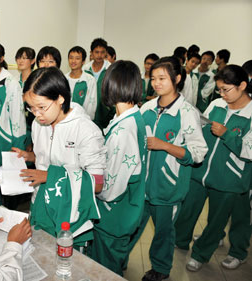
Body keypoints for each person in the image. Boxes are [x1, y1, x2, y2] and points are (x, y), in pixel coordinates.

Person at [13, 67, 106, 250]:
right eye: (31, 108)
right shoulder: (39, 124)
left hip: (70, 213)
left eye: (41, 107)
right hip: (40, 205)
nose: (37, 114)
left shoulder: (86, 130)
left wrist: (49, 176)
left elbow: (97, 183)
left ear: (60, 98)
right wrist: (29, 156)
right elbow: (46, 157)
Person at [132, 57, 208, 281]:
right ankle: (118, 260)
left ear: (177, 78)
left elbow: (198, 152)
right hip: (141, 184)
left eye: (162, 78)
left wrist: (165, 145)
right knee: (132, 225)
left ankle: (161, 269)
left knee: (163, 232)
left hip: (168, 187)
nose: (156, 83)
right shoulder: (146, 107)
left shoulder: (186, 113)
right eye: (153, 78)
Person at [175, 65, 252, 272]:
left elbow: (250, 150)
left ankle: (200, 254)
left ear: (243, 86)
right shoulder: (217, 104)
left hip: (230, 178)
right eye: (219, 89)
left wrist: (227, 134)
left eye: (226, 89)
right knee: (187, 209)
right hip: (201, 171)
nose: (222, 94)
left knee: (217, 220)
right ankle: (179, 240)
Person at [90, 61, 147, 276]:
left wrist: (89, 184)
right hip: (126, 208)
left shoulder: (124, 129)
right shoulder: (132, 117)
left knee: (105, 269)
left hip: (113, 214)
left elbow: (109, 188)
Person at [83, 37, 114, 129]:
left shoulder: (111, 69)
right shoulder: (85, 69)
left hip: (105, 113)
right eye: (96, 52)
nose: (99, 55)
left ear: (106, 53)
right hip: (87, 114)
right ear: (91, 53)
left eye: (102, 52)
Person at [65, 46, 98, 119]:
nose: (73, 61)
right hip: (66, 119)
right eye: (71, 58)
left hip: (83, 120)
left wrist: (87, 120)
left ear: (83, 61)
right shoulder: (64, 78)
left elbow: (92, 105)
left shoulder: (90, 80)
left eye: (77, 58)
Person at [15, 47, 36, 151]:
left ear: (32, 61)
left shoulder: (36, 81)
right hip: (17, 128)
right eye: (18, 58)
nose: (20, 60)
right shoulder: (13, 82)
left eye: (24, 58)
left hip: (32, 126)